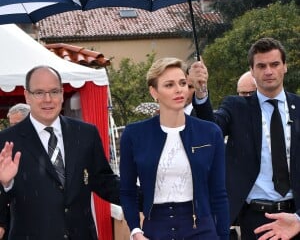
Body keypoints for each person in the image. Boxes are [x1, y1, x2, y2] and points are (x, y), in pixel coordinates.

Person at [190, 38, 300, 240]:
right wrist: (201, 90)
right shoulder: (236, 107)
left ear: (285, 67)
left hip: (296, 218)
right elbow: (210, 131)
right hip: (255, 218)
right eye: (261, 66)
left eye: (274, 64)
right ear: (252, 70)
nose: (268, 71)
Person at [0, 65, 120, 240]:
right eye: (39, 92)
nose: (48, 99)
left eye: (54, 91)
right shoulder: (6, 142)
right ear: (27, 96)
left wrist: (151, 198)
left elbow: (105, 182)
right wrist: (5, 184)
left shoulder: (86, 133)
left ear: (62, 94)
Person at [119, 57, 230, 240]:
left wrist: (224, 236)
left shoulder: (210, 132)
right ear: (154, 92)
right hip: (155, 230)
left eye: (183, 83)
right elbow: (127, 191)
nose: (179, 89)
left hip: (202, 229)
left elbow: (219, 193)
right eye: (169, 85)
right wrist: (135, 231)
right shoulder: (134, 134)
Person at [0, 104, 31, 240]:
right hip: (12, 211)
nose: (13, 129)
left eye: (17, 124)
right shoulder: (6, 147)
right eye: (11, 125)